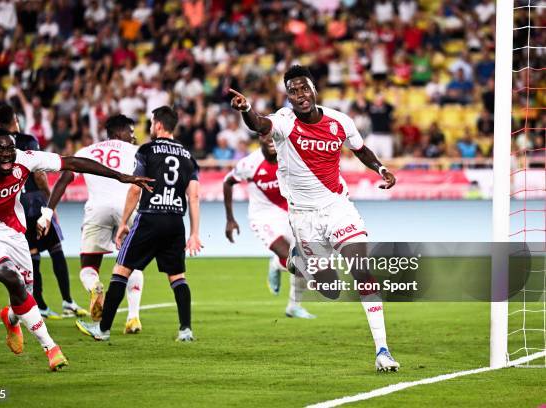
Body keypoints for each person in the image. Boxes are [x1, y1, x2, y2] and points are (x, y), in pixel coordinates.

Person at [228, 65, 400, 372]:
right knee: (331, 290)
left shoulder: (339, 121)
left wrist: (381, 169)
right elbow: (259, 124)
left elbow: (360, 150)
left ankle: (382, 350)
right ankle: (298, 261)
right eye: (293, 91)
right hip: (304, 219)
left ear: (314, 89)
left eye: (304, 88)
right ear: (288, 96)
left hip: (337, 207)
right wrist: (247, 109)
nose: (300, 95)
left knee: (361, 270)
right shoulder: (284, 121)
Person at [0, 128, 152, 371]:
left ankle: (10, 318)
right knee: (11, 277)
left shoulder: (25, 158)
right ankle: (51, 348)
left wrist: (121, 177)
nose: (7, 154)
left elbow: (72, 163)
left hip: (14, 232)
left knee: (24, 291)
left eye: (10, 148)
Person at [75, 106, 202, 342]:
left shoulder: (147, 150)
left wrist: (124, 222)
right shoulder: (187, 155)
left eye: (152, 123)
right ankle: (186, 330)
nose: (150, 128)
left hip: (149, 217)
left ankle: (102, 330)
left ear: (159, 125)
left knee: (120, 271)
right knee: (177, 277)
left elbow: (135, 187)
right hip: (175, 220)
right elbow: (193, 196)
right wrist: (194, 233)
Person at [39, 114, 144, 334]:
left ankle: (95, 287)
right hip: (128, 208)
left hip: (96, 210)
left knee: (88, 267)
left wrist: (47, 212)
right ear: (119, 133)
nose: (134, 137)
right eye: (131, 133)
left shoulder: (86, 152)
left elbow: (63, 180)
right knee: (131, 263)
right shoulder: (137, 152)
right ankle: (133, 318)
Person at [0, 104, 86, 319]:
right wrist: (50, 205)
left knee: (32, 255)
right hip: (35, 202)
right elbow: (40, 175)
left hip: (15, 207)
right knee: (56, 250)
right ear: (15, 119)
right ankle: (67, 302)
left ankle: (41, 304)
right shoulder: (27, 140)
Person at [223, 131, 315, 319]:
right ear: (260, 139)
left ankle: (293, 306)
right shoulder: (249, 164)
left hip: (290, 214)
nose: (272, 141)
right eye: (267, 137)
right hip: (263, 217)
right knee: (296, 264)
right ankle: (276, 263)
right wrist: (230, 219)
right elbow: (228, 182)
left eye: (275, 137)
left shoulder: (289, 157)